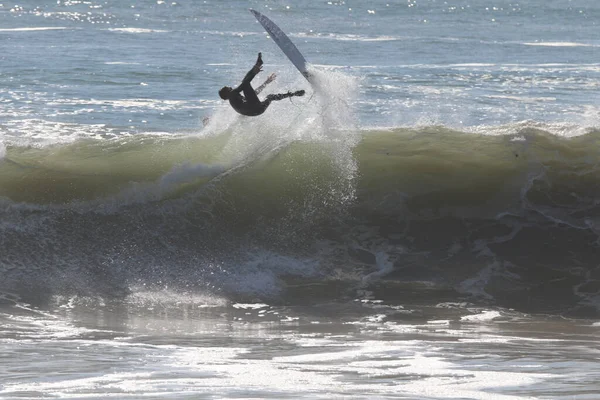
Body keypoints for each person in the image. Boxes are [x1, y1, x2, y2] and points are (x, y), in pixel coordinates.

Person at [219, 52, 305, 116]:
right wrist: (254, 73)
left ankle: (294, 94)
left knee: (270, 97)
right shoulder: (233, 95)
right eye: (228, 88)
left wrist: (266, 83)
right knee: (244, 83)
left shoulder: (235, 100)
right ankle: (257, 65)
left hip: (258, 111)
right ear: (227, 93)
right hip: (255, 108)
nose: (231, 87)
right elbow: (244, 84)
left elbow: (253, 94)